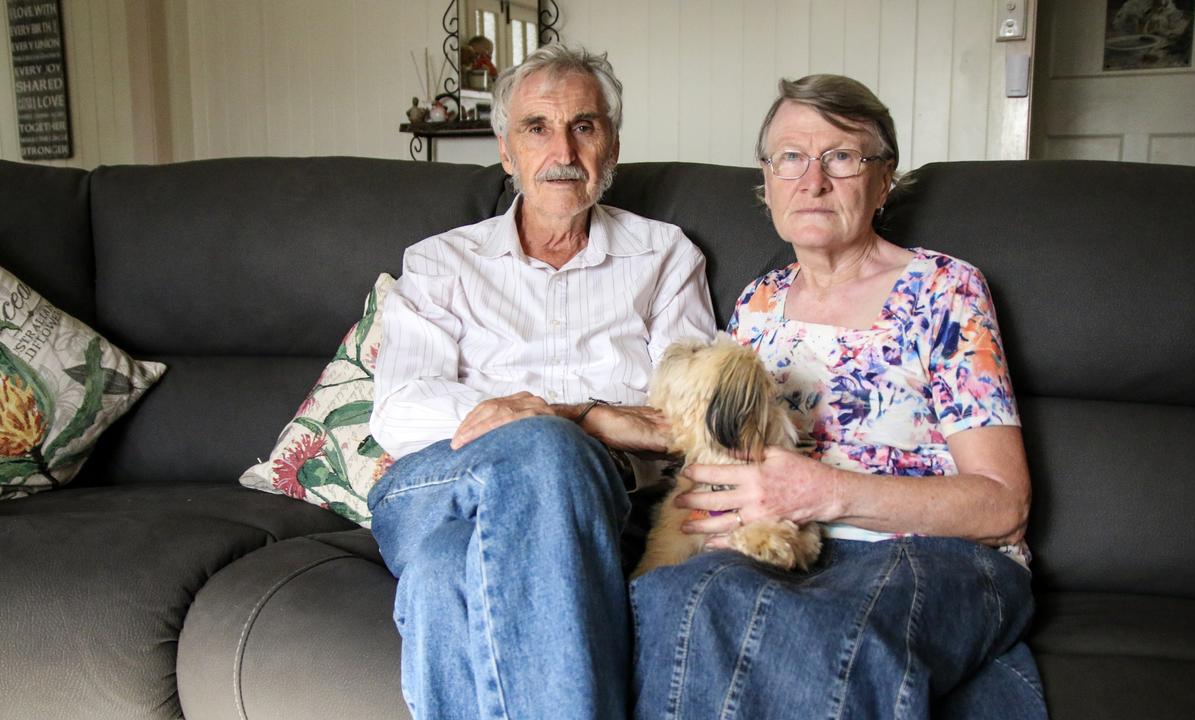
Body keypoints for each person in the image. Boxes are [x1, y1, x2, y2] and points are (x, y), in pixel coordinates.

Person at [630, 74, 1047, 719]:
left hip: (928, 552)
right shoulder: (757, 304)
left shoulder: (944, 291)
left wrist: (825, 491)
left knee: (822, 640)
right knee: (675, 600)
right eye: (790, 157)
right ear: (765, 181)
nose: (812, 179)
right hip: (783, 546)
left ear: (884, 181)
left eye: (842, 157)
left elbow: (1004, 504)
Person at [368, 44, 715, 720]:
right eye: (537, 127)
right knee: (547, 448)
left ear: (611, 145)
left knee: (443, 575)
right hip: (437, 488)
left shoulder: (665, 256)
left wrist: (558, 419)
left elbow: (688, 423)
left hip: (599, 507)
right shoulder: (441, 263)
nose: (563, 148)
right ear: (506, 151)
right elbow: (401, 410)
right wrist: (575, 419)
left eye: (584, 125)